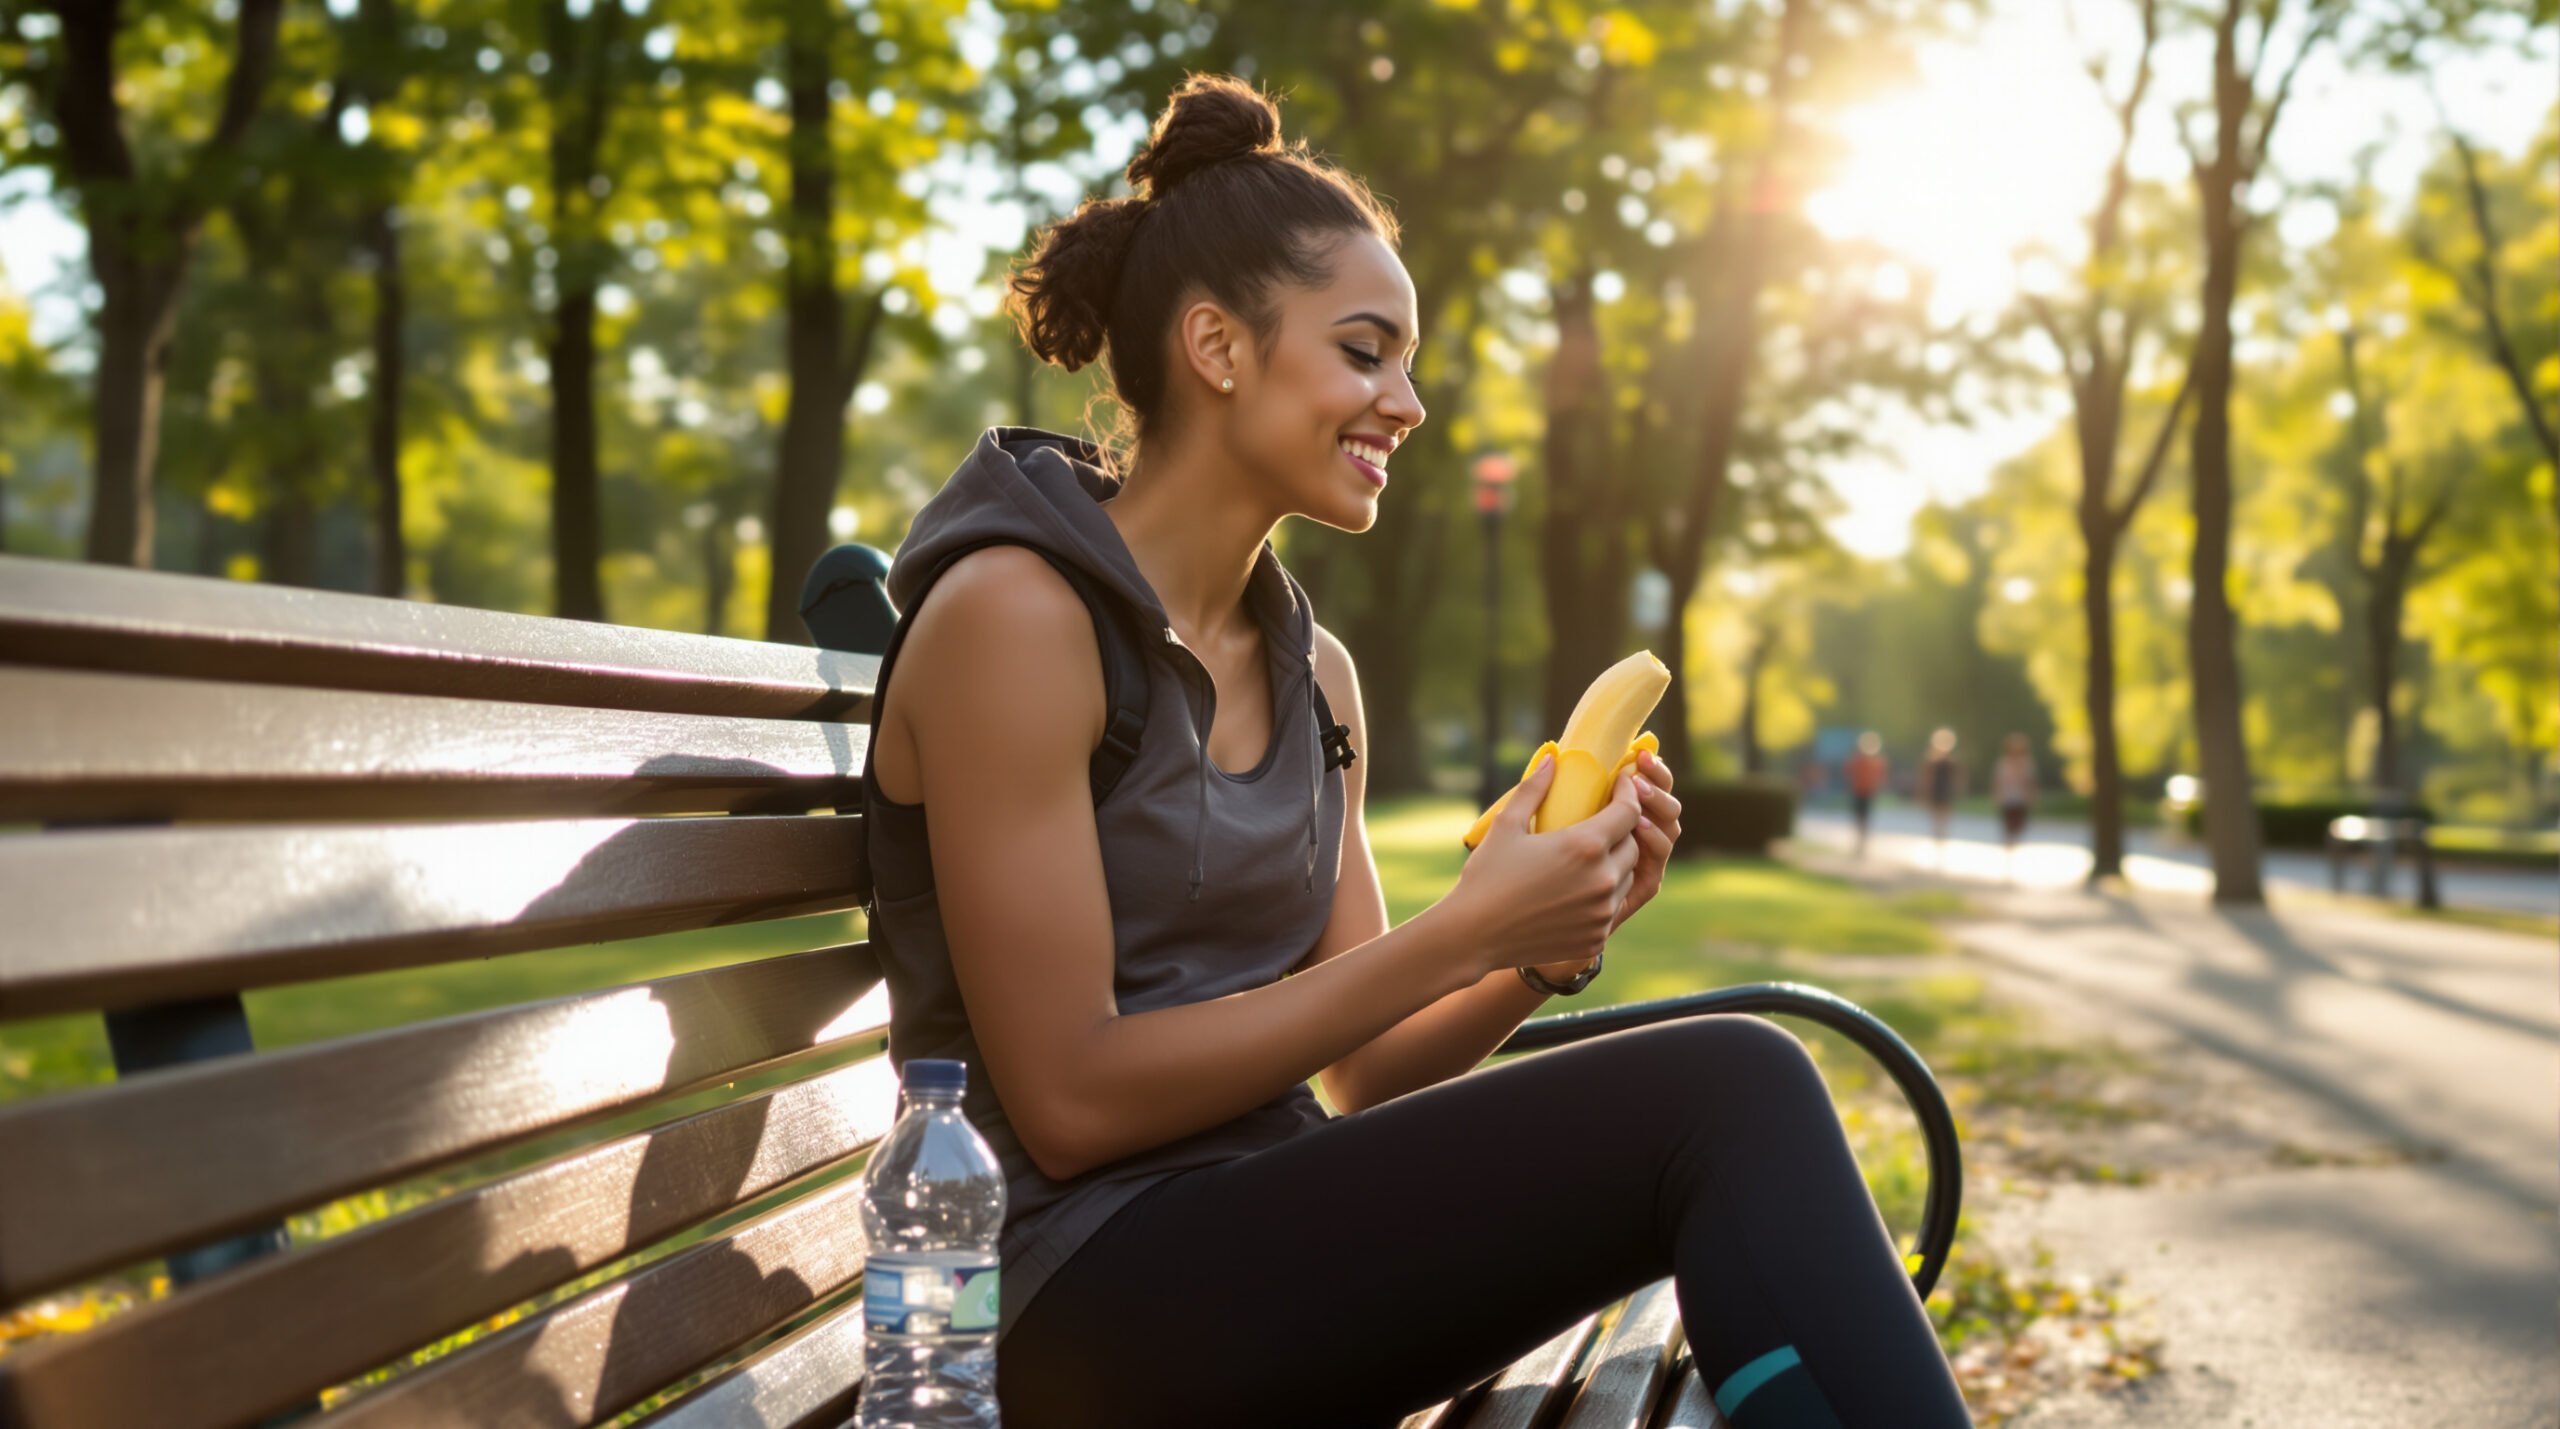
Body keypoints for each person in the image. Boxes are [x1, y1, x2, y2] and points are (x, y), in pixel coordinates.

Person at [860, 77, 1967, 1429]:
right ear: (1217, 346)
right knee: (1735, 1089)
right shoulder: (1016, 620)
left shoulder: (1313, 672)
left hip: (1248, 1242)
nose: (1409, 401)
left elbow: (1365, 1074)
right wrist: (1464, 931)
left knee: (1734, 1101)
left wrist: (1540, 944)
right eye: (1366, 352)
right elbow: (1071, 1101)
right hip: (1062, 1306)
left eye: (1407, 362)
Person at [1993, 733, 2036, 882]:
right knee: (2008, 829)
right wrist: (1998, 796)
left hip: (2021, 800)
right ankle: (2008, 860)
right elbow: (1998, 781)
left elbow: (2030, 783)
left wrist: (2031, 798)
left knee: (2018, 828)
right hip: (2007, 800)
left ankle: (2014, 852)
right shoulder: (2003, 764)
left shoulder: (2027, 764)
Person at [1843, 732, 1888, 859]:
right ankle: (1858, 842)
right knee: (1858, 818)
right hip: (1857, 792)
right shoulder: (1856, 760)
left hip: (1869, 793)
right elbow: (1848, 773)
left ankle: (1863, 842)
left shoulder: (1877, 762)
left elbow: (1881, 777)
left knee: (1866, 818)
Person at [1920, 728, 1961, 859]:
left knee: (1944, 815)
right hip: (1936, 790)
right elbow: (1927, 777)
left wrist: (1957, 789)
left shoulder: (1952, 761)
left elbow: (1956, 777)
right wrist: (1925, 791)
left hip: (1946, 791)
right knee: (1936, 815)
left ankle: (1942, 835)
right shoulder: (1932, 761)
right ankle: (1938, 835)